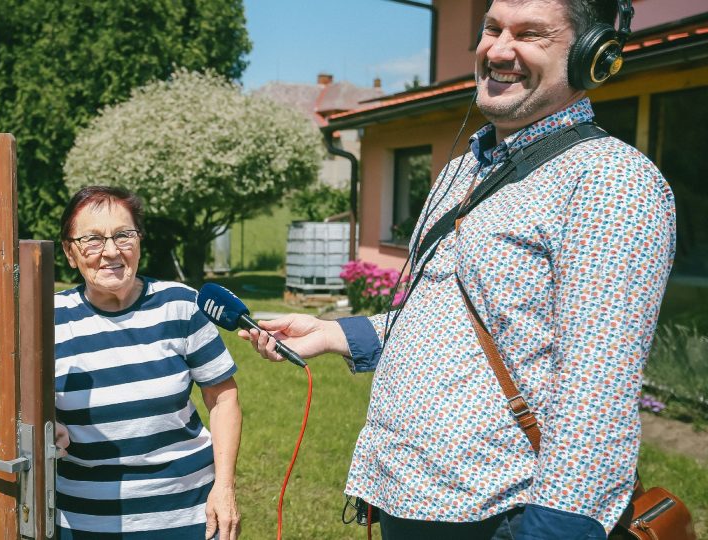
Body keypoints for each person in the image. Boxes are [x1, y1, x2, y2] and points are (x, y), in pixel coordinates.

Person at [242, 0, 675, 538]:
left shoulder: (612, 182)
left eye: (530, 34)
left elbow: (597, 394)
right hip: (408, 497)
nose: (498, 50)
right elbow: (443, 318)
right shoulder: (459, 170)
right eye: (492, 28)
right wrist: (332, 333)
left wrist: (553, 531)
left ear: (592, 55)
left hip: (503, 514)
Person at [53, 186, 242, 540]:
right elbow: (24, 407)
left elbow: (223, 398)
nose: (111, 251)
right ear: (69, 252)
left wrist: (225, 488)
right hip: (86, 521)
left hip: (188, 517)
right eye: (92, 240)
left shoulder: (180, 306)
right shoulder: (49, 319)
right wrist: (50, 422)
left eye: (124, 235)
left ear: (139, 241)